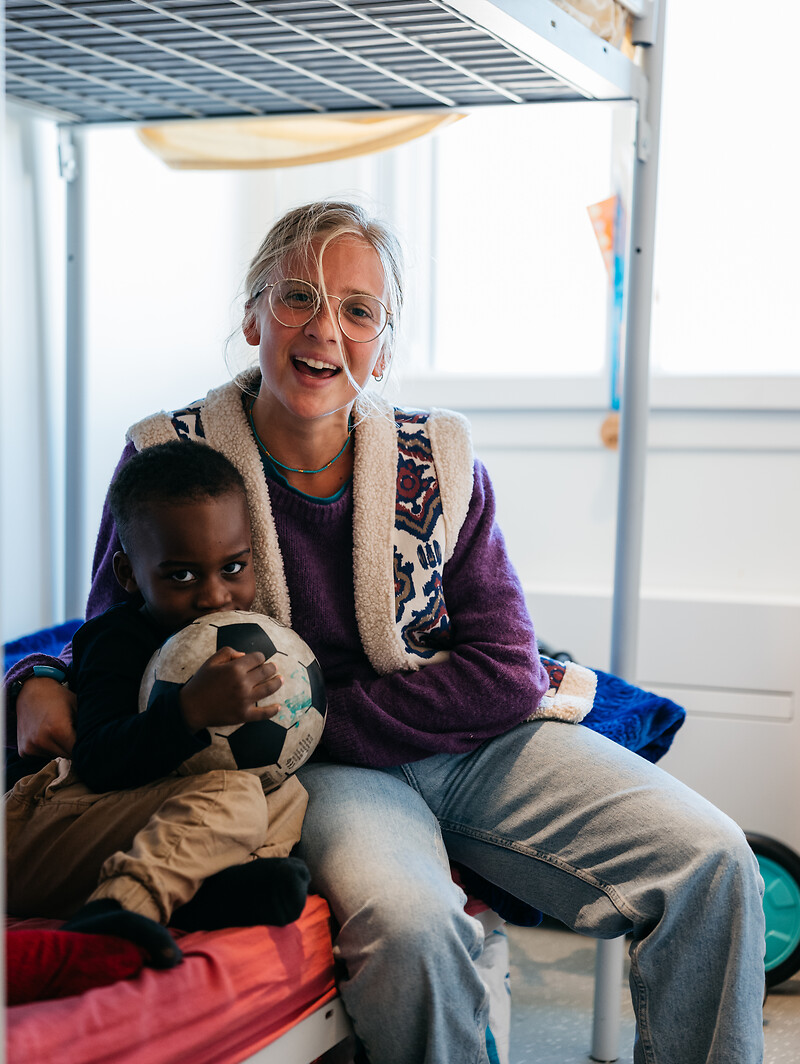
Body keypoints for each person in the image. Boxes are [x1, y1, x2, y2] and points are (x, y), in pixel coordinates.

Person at [7, 200, 765, 1062]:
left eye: (358, 310)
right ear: (252, 316)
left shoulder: (440, 463)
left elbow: (508, 670)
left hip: (465, 742)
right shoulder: (172, 457)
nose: (324, 328)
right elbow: (108, 626)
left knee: (716, 861)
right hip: (321, 773)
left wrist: (326, 712)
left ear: (385, 341)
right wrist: (31, 673)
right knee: (411, 929)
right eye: (297, 297)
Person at [6, 441, 310, 964]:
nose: (216, 596)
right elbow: (99, 760)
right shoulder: (115, 639)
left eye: (233, 568)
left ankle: (205, 895)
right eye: (182, 576)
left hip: (115, 831)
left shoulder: (249, 635)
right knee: (232, 797)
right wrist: (189, 710)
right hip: (39, 830)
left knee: (284, 788)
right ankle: (111, 920)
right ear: (128, 575)